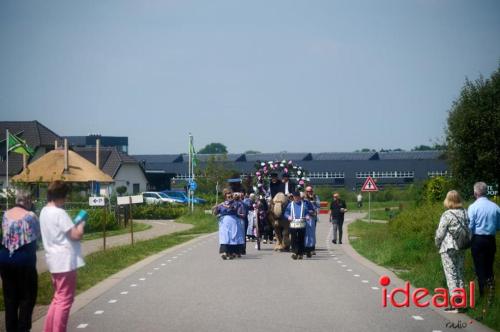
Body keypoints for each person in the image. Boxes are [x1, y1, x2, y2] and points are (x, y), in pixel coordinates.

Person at [40, 180, 86, 332]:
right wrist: (81, 223)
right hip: (65, 261)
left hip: (53, 260)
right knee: (65, 301)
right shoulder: (60, 213)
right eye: (65, 196)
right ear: (60, 196)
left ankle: (49, 329)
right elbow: (76, 235)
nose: (66, 199)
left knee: (58, 298)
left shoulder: (44, 211)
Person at [0, 190, 40, 332]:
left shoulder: (5, 215)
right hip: (24, 262)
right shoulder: (30, 216)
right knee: (26, 298)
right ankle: (23, 329)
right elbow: (37, 235)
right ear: (28, 201)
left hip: (5, 260)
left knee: (10, 299)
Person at [435, 190, 468, 313]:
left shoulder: (447, 214)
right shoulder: (465, 213)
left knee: (451, 275)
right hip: (461, 247)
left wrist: (437, 244)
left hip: (448, 248)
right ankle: (462, 302)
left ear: (448, 200)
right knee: (460, 273)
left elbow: (440, 233)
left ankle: (455, 304)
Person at [468, 182, 500, 304]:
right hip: (490, 239)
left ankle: (483, 294)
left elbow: (470, 225)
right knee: (489, 266)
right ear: (486, 191)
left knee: (479, 267)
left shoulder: (473, 207)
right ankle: (491, 293)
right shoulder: (495, 207)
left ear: (475, 193)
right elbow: (498, 226)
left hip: (478, 239)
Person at [284, 191, 312, 260]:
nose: (296, 198)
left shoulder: (304, 205)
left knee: (301, 239)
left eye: (297, 197)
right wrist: (288, 217)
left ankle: (300, 253)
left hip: (302, 224)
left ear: (299, 197)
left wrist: (307, 216)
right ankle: (294, 252)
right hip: (293, 224)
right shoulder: (290, 205)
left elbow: (307, 213)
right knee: (293, 239)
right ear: (293, 197)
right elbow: (286, 213)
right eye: (295, 197)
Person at [213, 188, 240, 260]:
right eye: (228, 196)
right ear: (225, 196)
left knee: (232, 237)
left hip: (232, 222)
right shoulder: (221, 204)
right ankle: (225, 253)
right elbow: (215, 213)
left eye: (231, 196)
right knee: (225, 237)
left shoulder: (235, 203)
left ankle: (231, 253)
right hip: (224, 223)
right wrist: (215, 208)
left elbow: (234, 209)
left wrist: (225, 206)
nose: (230, 197)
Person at [304, 186, 320, 257]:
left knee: (312, 233)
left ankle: (312, 248)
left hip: (313, 217)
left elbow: (318, 206)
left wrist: (314, 202)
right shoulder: (304, 198)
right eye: (307, 191)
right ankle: (306, 248)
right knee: (305, 233)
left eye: (310, 191)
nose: (309, 192)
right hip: (305, 217)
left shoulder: (316, 197)